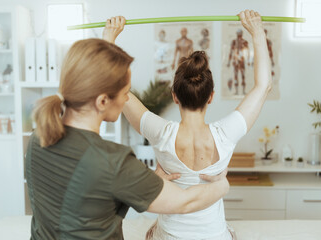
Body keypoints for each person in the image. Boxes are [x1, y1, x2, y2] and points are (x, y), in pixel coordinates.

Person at [25, 16, 230, 240]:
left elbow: (81, 199)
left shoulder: (39, 137)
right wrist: (222, 186)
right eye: (125, 93)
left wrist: (108, 40)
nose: (126, 101)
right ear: (103, 101)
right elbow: (185, 202)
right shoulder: (112, 161)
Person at [121, 10, 272, 240]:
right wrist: (257, 31)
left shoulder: (161, 132)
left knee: (151, 232)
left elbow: (118, 91)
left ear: (174, 96)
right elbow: (263, 86)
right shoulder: (225, 134)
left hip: (169, 236)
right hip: (215, 236)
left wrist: (109, 37)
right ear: (210, 96)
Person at [227, 28, 251, 95]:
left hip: (241, 61)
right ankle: (237, 91)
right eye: (238, 34)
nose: (239, 35)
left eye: (240, 34)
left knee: (243, 76)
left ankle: (243, 91)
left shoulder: (244, 42)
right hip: (235, 61)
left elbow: (248, 52)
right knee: (236, 76)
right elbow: (231, 52)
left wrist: (248, 60)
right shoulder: (234, 42)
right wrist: (229, 61)